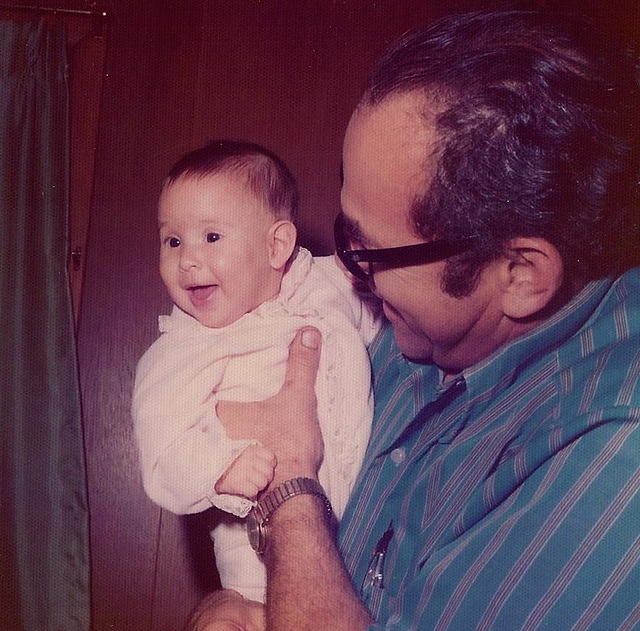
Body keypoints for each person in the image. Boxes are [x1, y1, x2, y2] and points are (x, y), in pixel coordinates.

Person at [188, 9, 640, 631]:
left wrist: (290, 486)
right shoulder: (413, 336)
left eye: (369, 251)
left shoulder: (613, 461)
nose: (347, 271)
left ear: (520, 275)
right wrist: (236, 608)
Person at [132, 140, 379, 602]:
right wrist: (219, 469)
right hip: (261, 564)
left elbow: (377, 319)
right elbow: (162, 455)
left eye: (211, 237)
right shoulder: (183, 352)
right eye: (173, 240)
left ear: (276, 245)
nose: (187, 259)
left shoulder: (325, 284)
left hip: (364, 530)